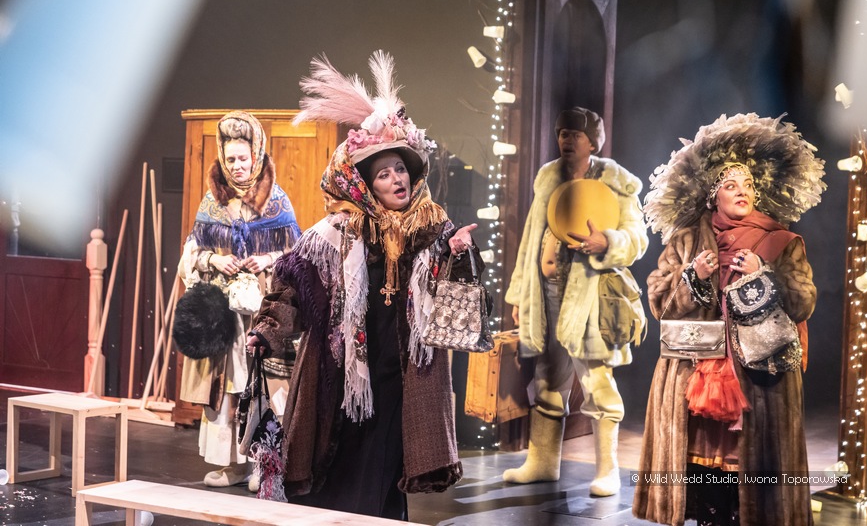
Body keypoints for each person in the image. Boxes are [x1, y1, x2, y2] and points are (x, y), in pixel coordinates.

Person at [246, 51, 481, 520]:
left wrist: (458, 257)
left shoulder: (433, 230)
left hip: (401, 379)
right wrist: (266, 331)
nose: (397, 180)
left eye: (401, 170)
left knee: (384, 478)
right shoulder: (332, 234)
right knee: (335, 473)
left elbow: (460, 318)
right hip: (342, 379)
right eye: (384, 173)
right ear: (366, 186)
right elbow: (290, 289)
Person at [633, 113, 825, 526]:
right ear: (712, 196)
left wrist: (764, 273)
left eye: (748, 185)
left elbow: (804, 303)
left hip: (759, 377)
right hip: (695, 372)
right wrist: (692, 277)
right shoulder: (686, 240)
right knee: (701, 465)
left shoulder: (780, 240)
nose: (743, 192)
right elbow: (659, 302)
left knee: (750, 471)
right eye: (731, 185)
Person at [503, 107, 648, 497]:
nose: (567, 140)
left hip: (591, 297)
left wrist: (608, 241)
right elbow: (530, 241)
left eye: (576, 134)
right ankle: (542, 462)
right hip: (547, 294)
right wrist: (519, 294)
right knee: (548, 379)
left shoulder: (616, 182)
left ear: (593, 142)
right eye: (562, 133)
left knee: (598, 381)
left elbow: (638, 238)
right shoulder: (549, 177)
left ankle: (608, 470)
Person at [177, 110, 301, 488]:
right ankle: (232, 463)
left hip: (260, 311)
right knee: (228, 384)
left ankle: (263, 463)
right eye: (230, 159)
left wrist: (267, 259)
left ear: (256, 154)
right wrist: (215, 260)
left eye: (242, 158)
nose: (237, 166)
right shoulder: (212, 202)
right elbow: (191, 254)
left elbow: (298, 254)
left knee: (261, 382)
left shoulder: (276, 200)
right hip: (224, 312)